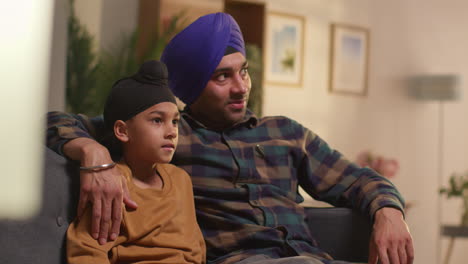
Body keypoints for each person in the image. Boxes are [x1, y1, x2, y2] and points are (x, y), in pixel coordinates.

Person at [47, 12, 414, 264]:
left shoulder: (286, 133)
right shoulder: (171, 134)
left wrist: (389, 211)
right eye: (222, 77)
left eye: (244, 72)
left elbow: (357, 180)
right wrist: (93, 152)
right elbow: (54, 123)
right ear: (190, 89)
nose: (241, 88)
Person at [65, 60, 206, 264]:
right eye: (157, 120)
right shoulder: (111, 184)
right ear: (122, 131)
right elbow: (85, 251)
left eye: (175, 121)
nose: (171, 131)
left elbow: (196, 245)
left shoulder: (181, 179)